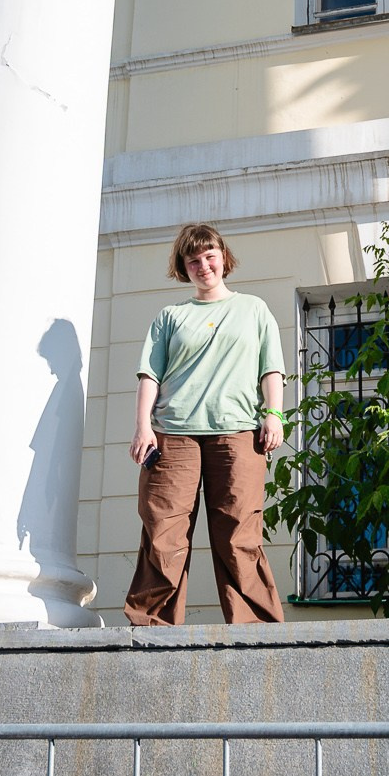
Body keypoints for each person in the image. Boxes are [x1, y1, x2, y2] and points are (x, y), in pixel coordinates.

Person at [124, 225, 286, 626]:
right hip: (173, 434)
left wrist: (274, 414)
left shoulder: (253, 309)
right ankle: (152, 628)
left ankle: (255, 630)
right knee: (163, 532)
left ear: (223, 257)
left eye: (209, 256)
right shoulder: (170, 317)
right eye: (193, 260)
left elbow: (271, 369)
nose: (203, 265)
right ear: (183, 267)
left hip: (238, 433)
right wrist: (143, 426)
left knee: (239, 533)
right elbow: (150, 376)